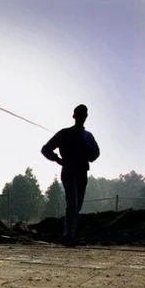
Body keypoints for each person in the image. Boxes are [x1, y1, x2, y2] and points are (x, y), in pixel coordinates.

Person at [41, 104, 100, 246]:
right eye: (79, 114)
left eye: (84, 114)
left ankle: (71, 233)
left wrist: (87, 147)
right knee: (72, 201)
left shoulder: (88, 136)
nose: (81, 116)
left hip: (82, 172)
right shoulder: (64, 133)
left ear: (86, 117)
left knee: (77, 204)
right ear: (74, 116)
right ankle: (68, 235)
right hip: (68, 171)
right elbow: (46, 149)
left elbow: (96, 154)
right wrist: (57, 159)